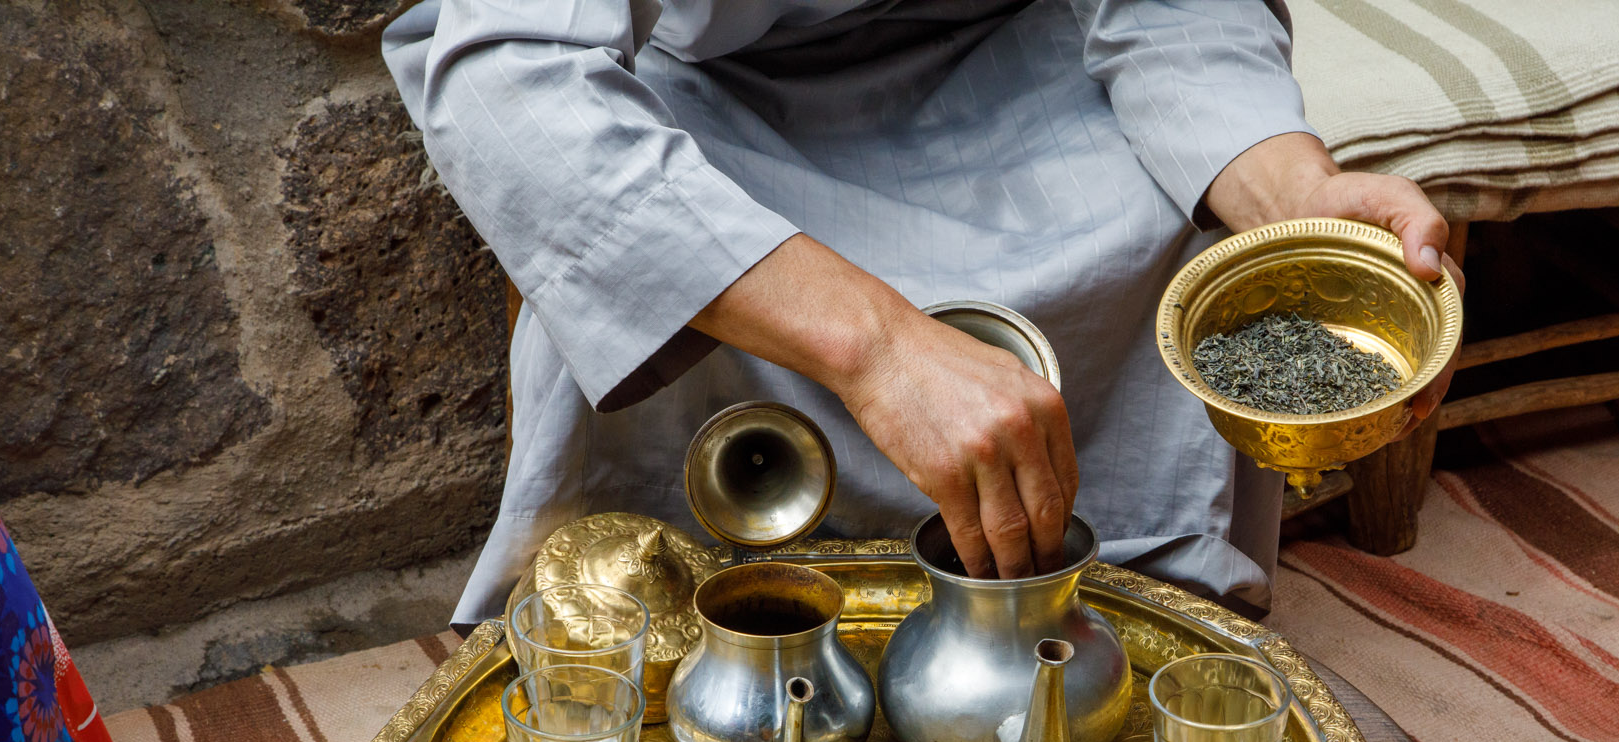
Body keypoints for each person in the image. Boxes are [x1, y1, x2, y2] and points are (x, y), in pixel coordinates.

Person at [383, 1, 1460, 622]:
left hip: (1016, 63)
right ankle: (709, 629)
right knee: (655, 255)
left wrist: (1295, 203)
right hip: (723, 92)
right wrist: (879, 347)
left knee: (1179, 223)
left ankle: (1116, 618)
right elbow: (503, 77)